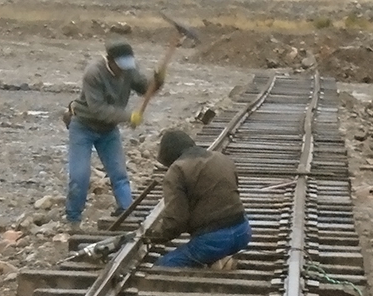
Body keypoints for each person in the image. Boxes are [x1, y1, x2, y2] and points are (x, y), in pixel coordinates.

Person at [64, 38, 164, 233]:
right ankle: (74, 220)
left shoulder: (128, 69)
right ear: (110, 61)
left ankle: (126, 213)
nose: (123, 70)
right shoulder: (93, 74)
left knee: (119, 175)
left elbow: (145, 88)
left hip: (108, 130)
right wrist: (129, 116)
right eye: (120, 66)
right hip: (83, 126)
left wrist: (159, 81)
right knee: (79, 176)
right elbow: (98, 109)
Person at [145, 129, 252, 269]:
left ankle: (215, 260)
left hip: (214, 241)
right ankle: (221, 261)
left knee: (163, 266)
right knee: (209, 247)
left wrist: (155, 235)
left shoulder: (177, 170)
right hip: (243, 231)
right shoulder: (221, 158)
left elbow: (176, 220)